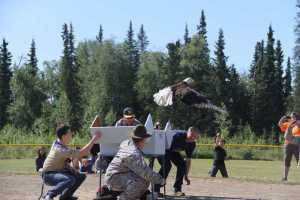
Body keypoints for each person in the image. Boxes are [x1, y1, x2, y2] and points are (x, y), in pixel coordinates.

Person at [102, 125, 165, 200]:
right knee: (141, 181)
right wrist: (160, 180)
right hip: (114, 178)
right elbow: (145, 172)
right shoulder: (133, 154)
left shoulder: (126, 143)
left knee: (143, 180)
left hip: (114, 175)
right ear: (142, 140)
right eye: (145, 140)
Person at [42, 124, 101, 200]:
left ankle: (65, 196)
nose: (71, 134)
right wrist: (94, 139)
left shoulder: (59, 144)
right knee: (69, 179)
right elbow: (82, 152)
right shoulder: (60, 149)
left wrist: (80, 159)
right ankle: (48, 195)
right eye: (69, 133)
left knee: (80, 177)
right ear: (63, 136)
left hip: (56, 172)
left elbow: (71, 156)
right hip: (48, 175)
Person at [154, 126, 200, 197]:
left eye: (195, 137)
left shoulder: (192, 144)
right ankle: (156, 190)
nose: (192, 138)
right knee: (167, 166)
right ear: (188, 132)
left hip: (172, 151)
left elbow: (188, 160)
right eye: (191, 135)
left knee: (182, 165)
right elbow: (163, 142)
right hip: (162, 147)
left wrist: (186, 175)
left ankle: (177, 190)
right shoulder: (177, 136)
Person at [153, 77, 226, 113]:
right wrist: (200, 96)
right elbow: (192, 91)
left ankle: (206, 102)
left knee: (191, 99)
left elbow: (192, 91)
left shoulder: (182, 86)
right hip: (171, 93)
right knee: (191, 99)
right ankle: (205, 102)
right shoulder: (182, 86)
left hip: (172, 93)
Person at [278, 112, 300, 181]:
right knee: (286, 160)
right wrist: (284, 117)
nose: (292, 118)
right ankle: (285, 177)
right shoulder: (288, 124)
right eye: (291, 117)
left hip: (297, 145)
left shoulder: (298, 123)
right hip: (288, 145)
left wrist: (296, 122)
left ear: (296, 117)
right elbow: (280, 124)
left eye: (293, 117)